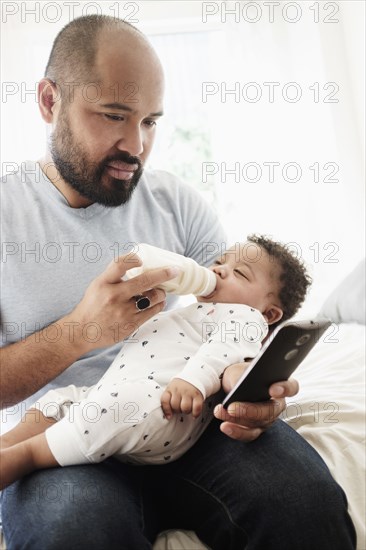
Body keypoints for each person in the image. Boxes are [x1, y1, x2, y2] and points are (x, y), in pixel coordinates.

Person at [0, 14, 356, 550]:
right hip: (69, 428)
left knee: (301, 504)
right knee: (72, 532)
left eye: (150, 122)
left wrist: (254, 391)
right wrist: (80, 332)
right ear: (50, 102)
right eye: (115, 116)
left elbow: (236, 319)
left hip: (189, 419)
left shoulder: (178, 205)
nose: (136, 145)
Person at [0, 234, 311, 485]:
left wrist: (196, 380)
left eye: (239, 273)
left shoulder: (246, 319)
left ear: (269, 314)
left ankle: (25, 456)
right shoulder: (194, 313)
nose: (218, 270)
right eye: (219, 262)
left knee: (119, 407)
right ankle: (9, 442)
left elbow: (224, 352)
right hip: (119, 394)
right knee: (64, 398)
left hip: (162, 409)